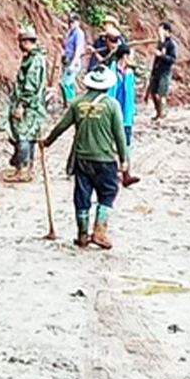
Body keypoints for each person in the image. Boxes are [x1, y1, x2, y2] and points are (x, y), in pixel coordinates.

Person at [44, 67, 130, 249]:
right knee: (107, 193)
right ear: (107, 85)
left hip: (82, 159)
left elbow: (61, 126)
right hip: (105, 159)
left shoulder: (77, 104)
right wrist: (124, 160)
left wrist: (47, 142)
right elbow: (120, 135)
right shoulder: (112, 105)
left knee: (82, 195)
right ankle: (99, 232)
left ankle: (82, 235)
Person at [4, 28, 48, 183]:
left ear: (26, 42)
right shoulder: (34, 57)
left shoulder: (35, 61)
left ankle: (23, 170)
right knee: (29, 135)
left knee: (23, 135)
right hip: (34, 104)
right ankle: (27, 168)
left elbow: (30, 84)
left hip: (30, 105)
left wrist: (21, 104)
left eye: (21, 42)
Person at [145, 21, 177, 122]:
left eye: (161, 30)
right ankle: (158, 112)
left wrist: (161, 55)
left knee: (162, 94)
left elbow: (172, 59)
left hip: (165, 72)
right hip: (157, 71)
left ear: (167, 31)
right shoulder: (160, 43)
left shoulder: (171, 44)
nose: (159, 33)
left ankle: (162, 114)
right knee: (154, 93)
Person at [110, 44, 137, 149]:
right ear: (124, 56)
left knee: (126, 134)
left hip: (126, 106)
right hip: (115, 102)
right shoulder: (112, 70)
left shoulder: (129, 73)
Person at [60, 12, 86, 103]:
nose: (71, 24)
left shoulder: (79, 33)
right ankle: (72, 102)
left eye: (73, 22)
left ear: (78, 22)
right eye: (70, 22)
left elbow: (78, 50)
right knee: (70, 83)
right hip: (66, 60)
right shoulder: (70, 32)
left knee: (64, 83)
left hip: (73, 61)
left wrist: (72, 64)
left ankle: (69, 103)